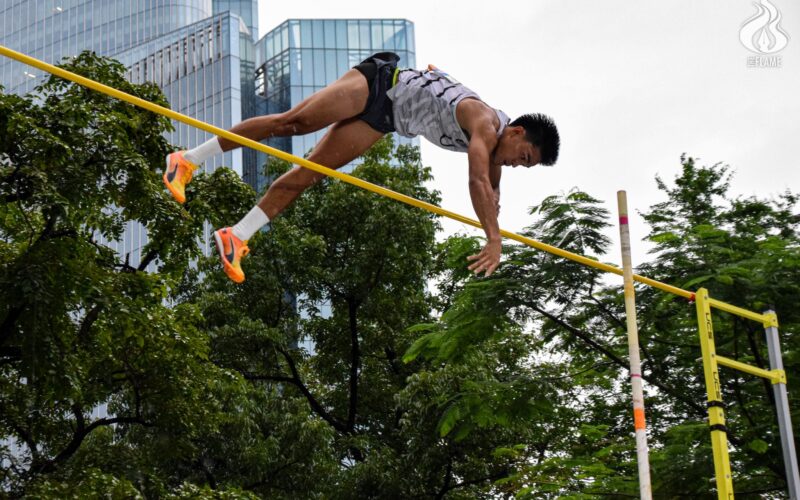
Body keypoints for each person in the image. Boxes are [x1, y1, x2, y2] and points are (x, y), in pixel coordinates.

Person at [163, 52, 560, 283]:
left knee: (310, 173)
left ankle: (236, 235)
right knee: (292, 122)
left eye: (525, 166)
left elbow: (491, 186)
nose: (515, 163)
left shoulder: (498, 152)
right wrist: (494, 239)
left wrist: (496, 212)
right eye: (522, 156)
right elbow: (476, 180)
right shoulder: (484, 124)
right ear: (516, 132)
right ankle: (186, 160)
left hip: (385, 120)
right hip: (377, 84)